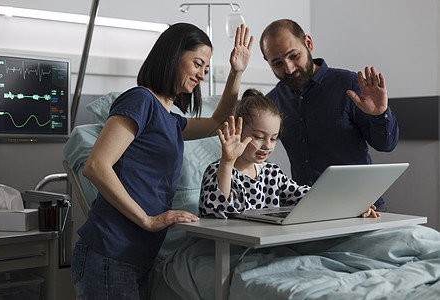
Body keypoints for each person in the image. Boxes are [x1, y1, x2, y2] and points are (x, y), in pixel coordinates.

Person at [70, 23, 253, 299]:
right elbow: (96, 166)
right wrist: (148, 220)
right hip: (110, 253)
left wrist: (236, 71)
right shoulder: (140, 100)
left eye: (205, 68)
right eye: (197, 64)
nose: (202, 75)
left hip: (137, 257)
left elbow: (217, 122)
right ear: (173, 55)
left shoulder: (170, 119)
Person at [259, 19, 399, 209]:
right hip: (307, 210)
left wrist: (380, 114)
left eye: (293, 56)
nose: (289, 68)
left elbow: (386, 145)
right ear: (267, 61)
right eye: (277, 63)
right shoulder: (273, 102)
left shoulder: (349, 85)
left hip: (362, 209)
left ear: (308, 43)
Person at [199, 89, 380, 219]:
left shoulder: (272, 174)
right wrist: (227, 162)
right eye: (259, 136)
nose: (267, 146)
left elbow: (307, 196)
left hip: (267, 245)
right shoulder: (217, 170)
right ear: (237, 131)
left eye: (273, 138)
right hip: (231, 248)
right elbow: (216, 211)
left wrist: (353, 205)